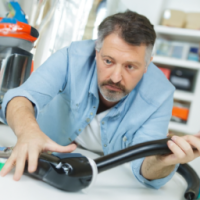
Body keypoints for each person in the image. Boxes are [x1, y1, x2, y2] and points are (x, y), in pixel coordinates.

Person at [0, 11, 200, 189]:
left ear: (147, 64)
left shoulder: (161, 94)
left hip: (106, 181)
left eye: (130, 66)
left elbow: (146, 169)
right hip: (43, 165)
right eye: (108, 61)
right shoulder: (72, 57)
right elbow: (21, 97)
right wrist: (28, 132)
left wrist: (162, 161)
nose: (115, 77)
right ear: (97, 51)